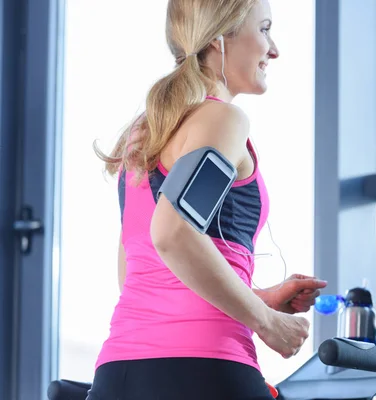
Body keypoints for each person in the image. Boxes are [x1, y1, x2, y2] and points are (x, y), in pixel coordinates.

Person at [87, 0, 327, 399]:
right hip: (204, 370)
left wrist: (255, 297)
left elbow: (139, 272)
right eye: (264, 29)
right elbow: (173, 231)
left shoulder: (146, 132)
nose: (274, 49)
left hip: (117, 376)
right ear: (220, 40)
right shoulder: (222, 120)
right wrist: (266, 320)